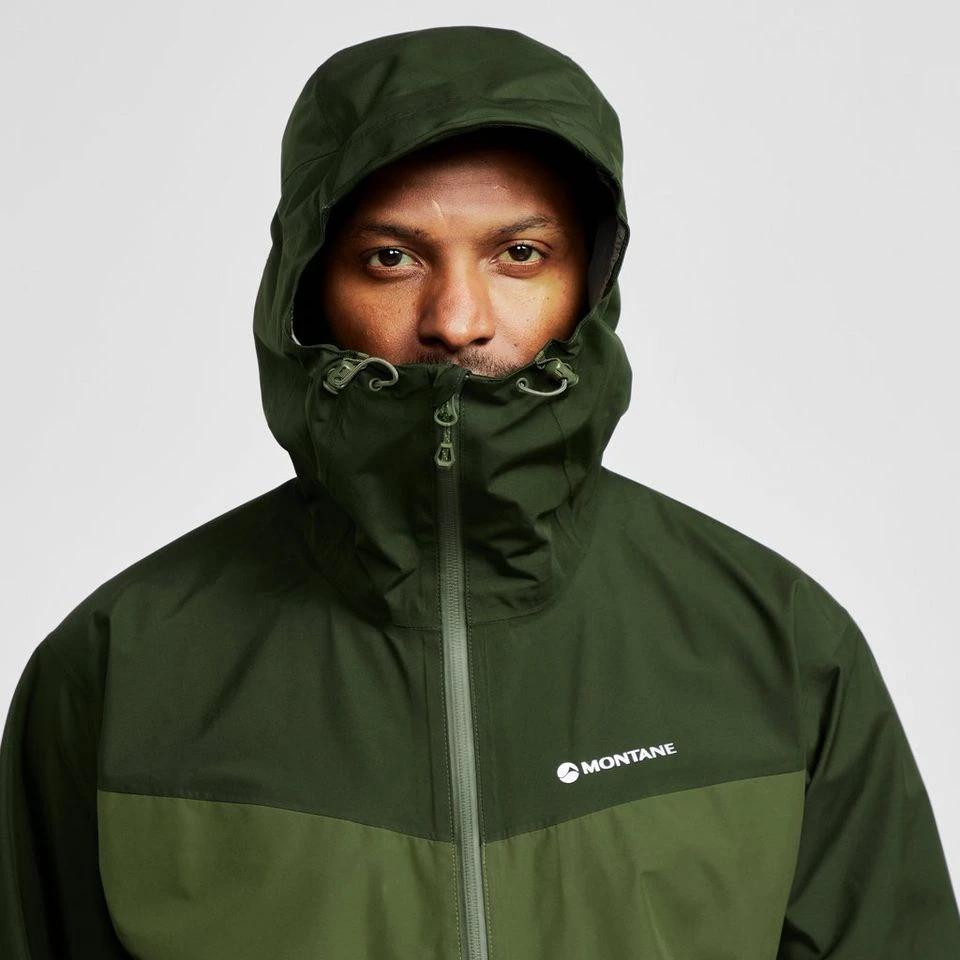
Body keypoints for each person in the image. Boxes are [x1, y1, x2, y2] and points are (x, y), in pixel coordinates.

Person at [1, 23, 957, 959]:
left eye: (520, 254)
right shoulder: (120, 671)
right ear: (308, 287)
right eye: (392, 257)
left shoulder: (777, 646)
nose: (457, 320)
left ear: (592, 282)